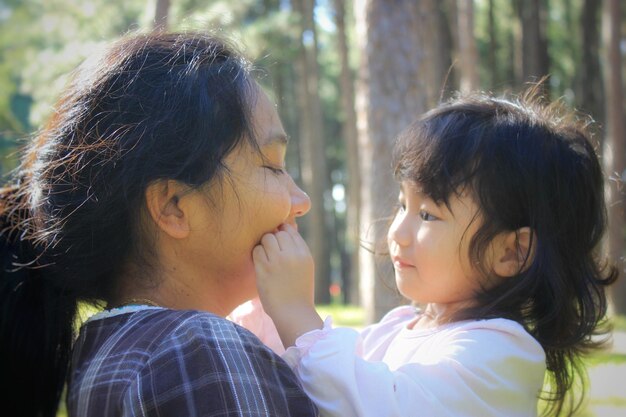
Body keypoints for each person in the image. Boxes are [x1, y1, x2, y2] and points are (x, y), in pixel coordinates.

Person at [0, 31, 319, 417]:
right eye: (273, 165)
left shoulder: (105, 352)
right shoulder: (198, 352)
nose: (301, 202)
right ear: (174, 206)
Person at [251, 90, 618, 417]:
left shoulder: (499, 354)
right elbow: (310, 380)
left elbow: (365, 402)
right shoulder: (398, 327)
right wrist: (264, 312)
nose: (397, 232)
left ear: (512, 252)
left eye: (427, 214)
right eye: (401, 205)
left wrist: (296, 313)